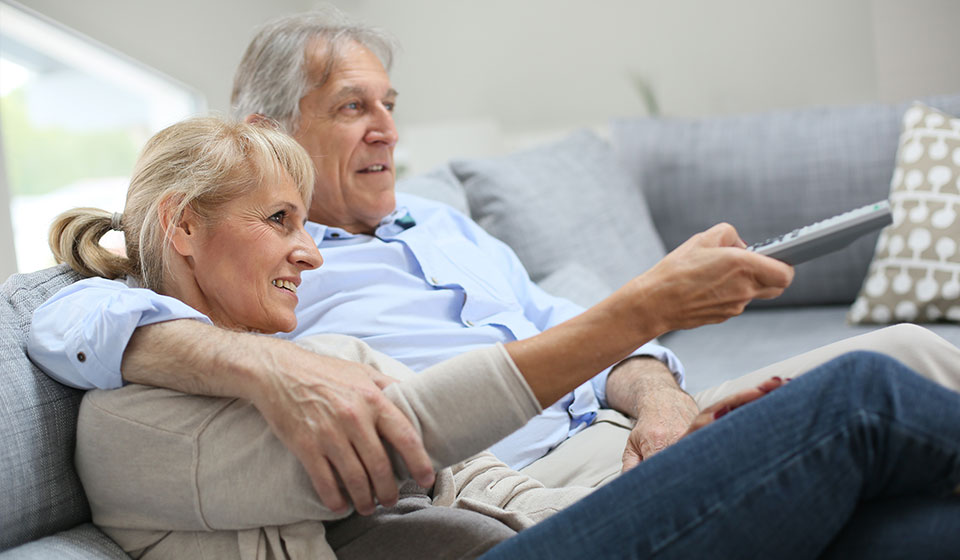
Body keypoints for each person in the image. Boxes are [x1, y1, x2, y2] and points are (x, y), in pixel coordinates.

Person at [27, 8, 960, 518]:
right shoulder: (261, 274)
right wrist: (251, 360)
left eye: (391, 102)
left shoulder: (440, 224)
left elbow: (568, 326)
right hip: (528, 488)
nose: (388, 128)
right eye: (354, 108)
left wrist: (667, 401)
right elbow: (68, 312)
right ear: (270, 131)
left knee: (913, 351)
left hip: (628, 440)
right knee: (882, 387)